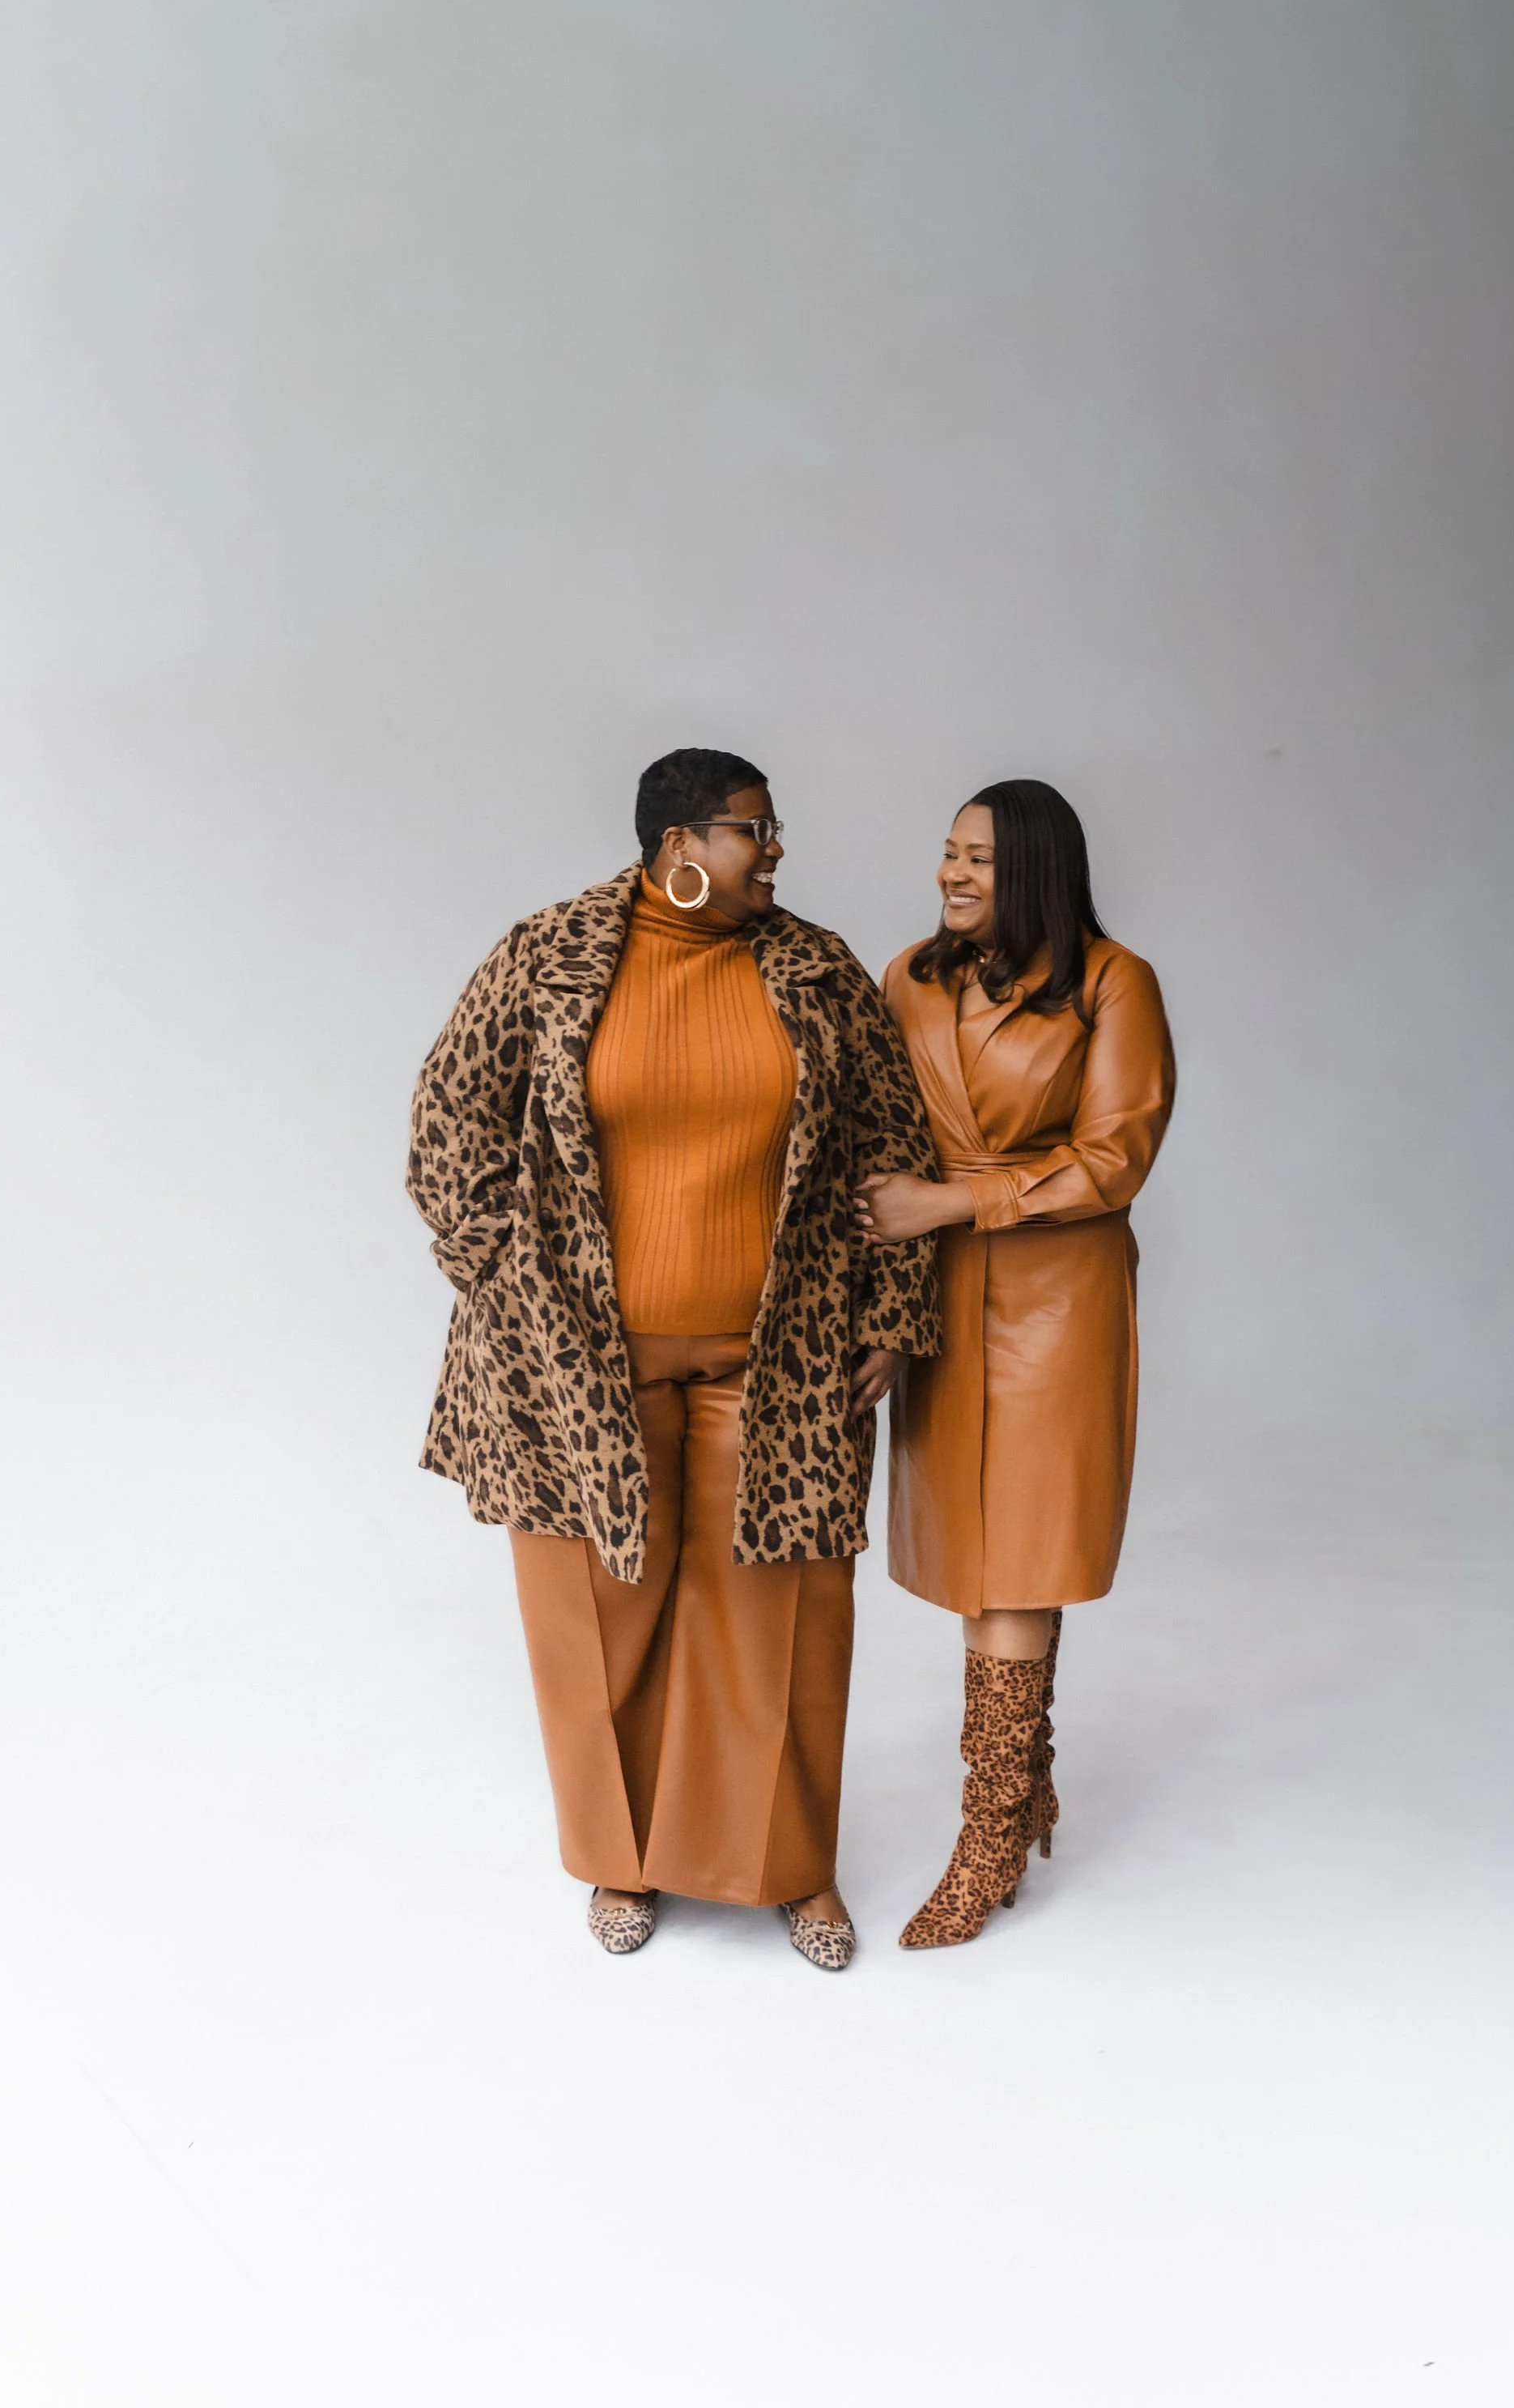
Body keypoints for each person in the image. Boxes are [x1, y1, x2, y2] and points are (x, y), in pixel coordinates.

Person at [408, 747, 941, 1969]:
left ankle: (789, 1867)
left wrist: (892, 1311)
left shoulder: (816, 967)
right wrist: (513, 1288)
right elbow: (449, 1125)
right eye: (757, 830)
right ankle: (621, 1861)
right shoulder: (546, 955)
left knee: (783, 1623)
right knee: (597, 1618)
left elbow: (892, 1144)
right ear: (681, 848)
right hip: (575, 1370)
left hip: (783, 1354)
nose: (778, 849)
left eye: (774, 828)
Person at [855, 779, 1174, 1949]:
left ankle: (986, 1839)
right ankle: (1023, 1786)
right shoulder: (912, 975)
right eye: (946, 852)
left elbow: (1115, 1158)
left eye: (980, 859)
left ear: (1036, 867)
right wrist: (884, 1311)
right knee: (974, 1559)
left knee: (1016, 1559)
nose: (952, 874)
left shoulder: (1111, 981)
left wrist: (951, 1198)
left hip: (1055, 1304)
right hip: (941, 1296)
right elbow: (883, 1140)